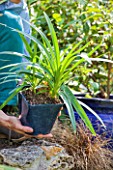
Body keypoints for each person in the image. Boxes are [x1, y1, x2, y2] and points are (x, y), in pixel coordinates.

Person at [0, 0, 53, 138]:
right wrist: (3, 120)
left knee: (15, 30)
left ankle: (7, 107)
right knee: (10, 24)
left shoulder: (18, 11)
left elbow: (21, 62)